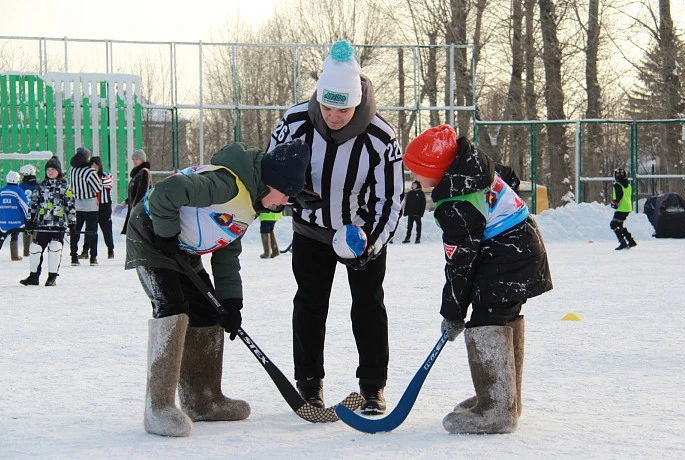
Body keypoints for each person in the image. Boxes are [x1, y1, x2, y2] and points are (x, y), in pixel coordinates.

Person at [125, 140, 310, 437]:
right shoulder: (224, 185)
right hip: (152, 234)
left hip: (181, 247)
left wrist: (231, 302)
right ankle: (157, 408)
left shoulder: (248, 204)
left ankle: (203, 399)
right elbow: (165, 193)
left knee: (208, 312)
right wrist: (166, 235)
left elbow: (226, 254)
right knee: (172, 307)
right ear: (271, 182)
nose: (285, 201)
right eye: (285, 192)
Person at [267, 40, 404, 415]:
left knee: (368, 305)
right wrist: (294, 197)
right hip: (311, 231)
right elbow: (273, 173)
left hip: (362, 232)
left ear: (356, 102)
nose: (333, 115)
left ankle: (373, 387)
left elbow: (390, 199)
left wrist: (370, 244)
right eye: (326, 106)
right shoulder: (294, 122)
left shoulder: (381, 137)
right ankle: (310, 386)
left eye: (341, 108)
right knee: (310, 304)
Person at [402, 124, 552, 434]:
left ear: (436, 169)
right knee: (501, 315)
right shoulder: (473, 170)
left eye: (417, 172)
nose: (413, 179)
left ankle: (496, 411)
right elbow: (508, 175)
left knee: (487, 320)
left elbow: (460, 263)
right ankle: (503, 400)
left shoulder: (455, 203)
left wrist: (453, 313)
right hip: (519, 248)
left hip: (507, 258)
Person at [20, 156, 77, 287]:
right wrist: (30, 221)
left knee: (55, 249)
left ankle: (52, 277)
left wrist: (72, 222)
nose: (50, 172)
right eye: (48, 169)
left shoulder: (65, 187)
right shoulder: (41, 186)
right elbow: (33, 204)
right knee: (35, 249)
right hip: (42, 224)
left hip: (58, 225)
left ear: (58, 171)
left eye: (53, 169)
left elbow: (70, 206)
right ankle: (33, 276)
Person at [69, 147, 101, 266]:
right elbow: (97, 188)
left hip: (76, 203)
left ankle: (74, 257)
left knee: (75, 231)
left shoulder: (72, 170)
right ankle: (93, 257)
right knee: (92, 231)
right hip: (90, 204)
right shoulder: (89, 171)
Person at [80, 157, 115, 259]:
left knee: (107, 229)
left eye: (96, 165)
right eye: (92, 165)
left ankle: (110, 249)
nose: (94, 168)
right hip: (91, 205)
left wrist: (95, 180)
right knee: (90, 230)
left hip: (104, 206)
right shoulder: (87, 176)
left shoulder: (106, 175)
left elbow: (107, 182)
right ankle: (86, 250)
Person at [0, 171, 29, 261]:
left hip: (4, 221)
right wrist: (28, 217)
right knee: (14, 236)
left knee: (1, 236)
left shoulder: (1, 190)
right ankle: (14, 256)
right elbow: (25, 205)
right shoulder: (18, 191)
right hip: (16, 221)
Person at [120, 149, 152, 235]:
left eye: (137, 159)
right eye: (133, 159)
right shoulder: (137, 174)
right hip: (134, 207)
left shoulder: (144, 172)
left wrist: (136, 206)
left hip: (139, 208)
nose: (135, 161)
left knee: (138, 232)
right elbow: (134, 191)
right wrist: (127, 201)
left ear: (142, 160)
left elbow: (142, 190)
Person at [610, 168, 637, 250]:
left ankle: (622, 242)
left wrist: (615, 203)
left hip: (621, 208)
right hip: (627, 207)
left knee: (613, 225)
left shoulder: (617, 185)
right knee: (620, 225)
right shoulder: (628, 185)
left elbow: (619, 195)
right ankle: (630, 240)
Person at [19, 164, 39, 257]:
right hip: (37, 212)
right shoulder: (38, 185)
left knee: (27, 232)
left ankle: (26, 252)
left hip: (26, 213)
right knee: (36, 232)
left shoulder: (21, 186)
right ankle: (35, 252)